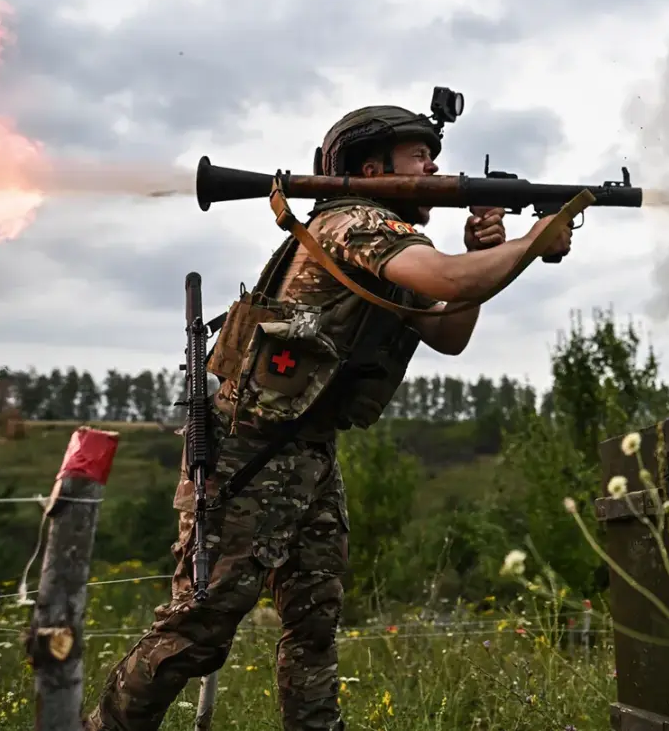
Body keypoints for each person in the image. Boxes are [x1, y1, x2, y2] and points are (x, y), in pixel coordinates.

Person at [82, 104, 572, 731]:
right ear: (373, 169)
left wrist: (499, 248)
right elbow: (449, 275)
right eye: (419, 155)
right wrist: (536, 240)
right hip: (252, 452)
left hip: (308, 451)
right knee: (197, 631)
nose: (434, 167)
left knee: (313, 621)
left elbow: (450, 329)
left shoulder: (389, 245)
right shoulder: (356, 223)